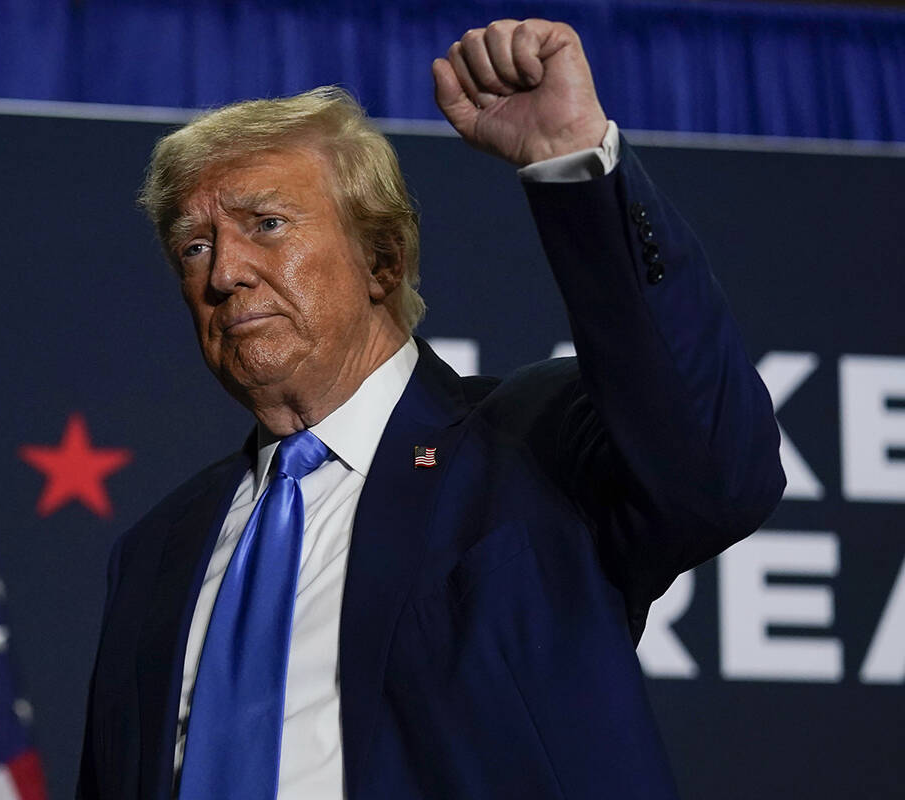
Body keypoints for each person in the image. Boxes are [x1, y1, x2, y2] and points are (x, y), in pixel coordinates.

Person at [78, 18, 785, 800]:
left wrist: (572, 164)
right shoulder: (154, 555)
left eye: (266, 225)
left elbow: (720, 471)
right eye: (195, 247)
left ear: (381, 260)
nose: (225, 274)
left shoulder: (532, 446)